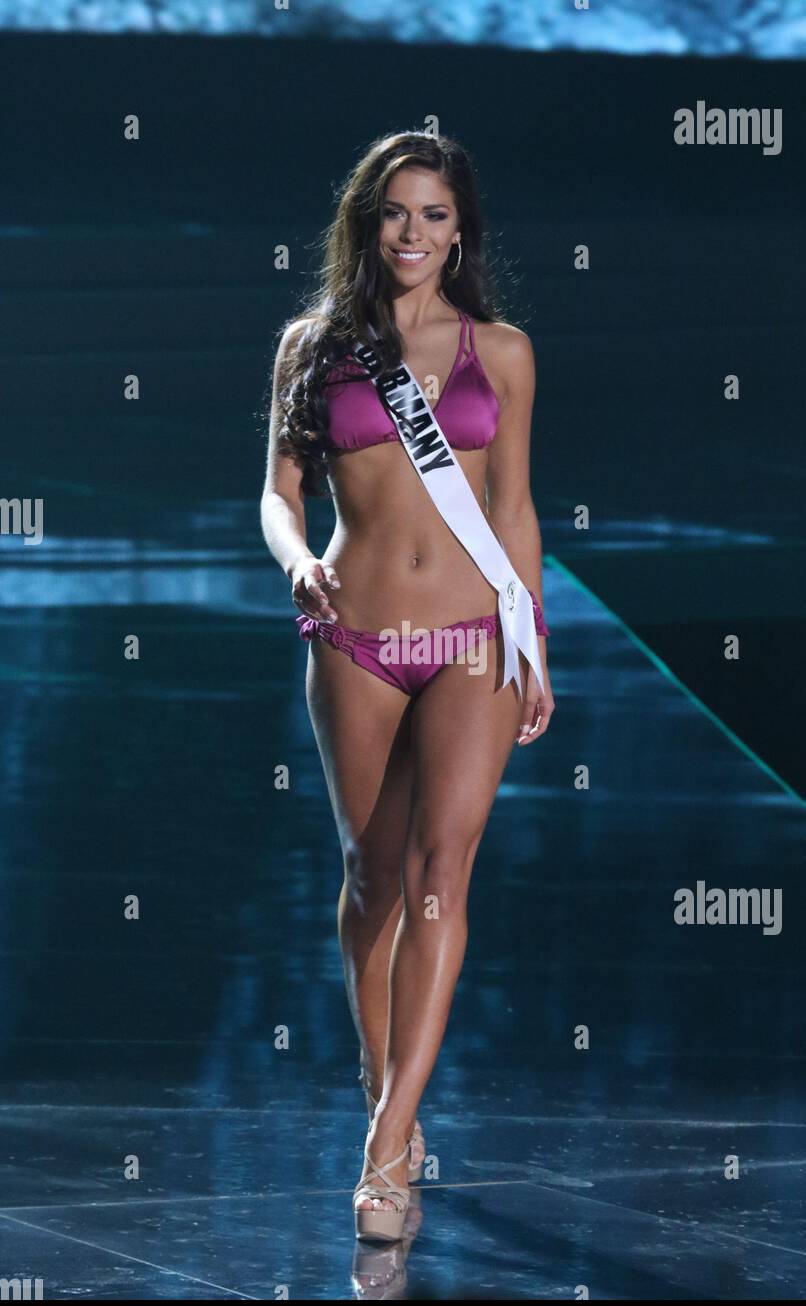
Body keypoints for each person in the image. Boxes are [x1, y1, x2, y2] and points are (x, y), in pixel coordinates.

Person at [260, 130, 554, 1242]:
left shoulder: (504, 352)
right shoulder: (313, 345)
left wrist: (535, 641)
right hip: (355, 640)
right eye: (394, 213)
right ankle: (380, 1085)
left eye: (434, 215)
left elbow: (515, 508)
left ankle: (390, 1145)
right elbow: (279, 493)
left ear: (460, 229)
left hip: (474, 641)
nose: (413, 234)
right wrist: (296, 559)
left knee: (441, 871)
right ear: (365, 223)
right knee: (371, 875)